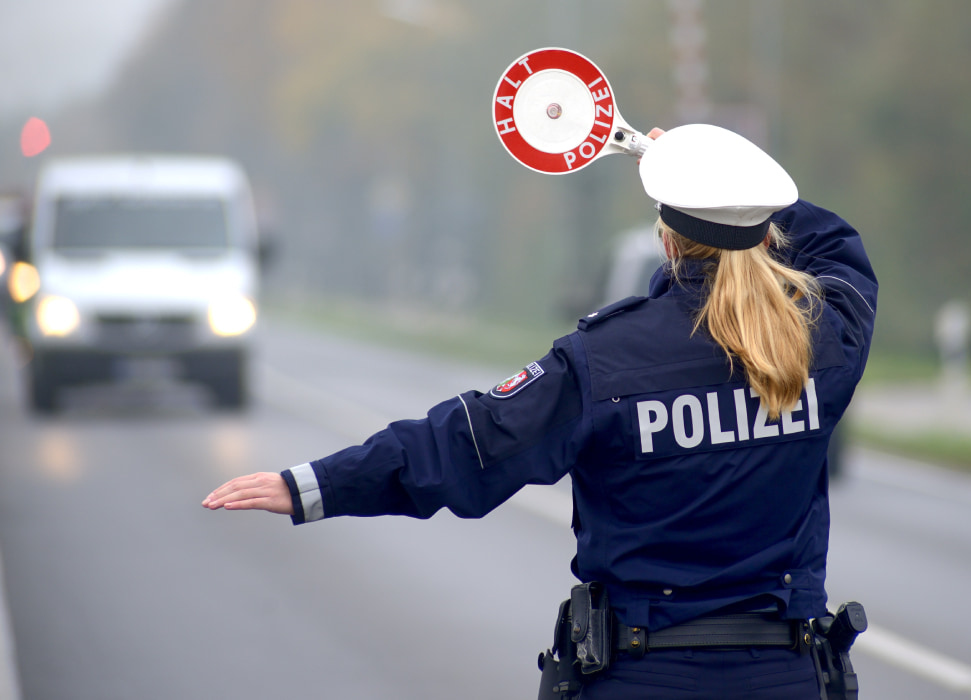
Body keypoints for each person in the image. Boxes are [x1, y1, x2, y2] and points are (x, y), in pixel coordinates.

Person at [203, 123, 877, 699]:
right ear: (762, 232)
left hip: (646, 674)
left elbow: (466, 442)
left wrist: (313, 486)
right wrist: (719, 179)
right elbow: (839, 250)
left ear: (667, 242)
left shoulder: (604, 358)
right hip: (784, 677)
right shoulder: (820, 342)